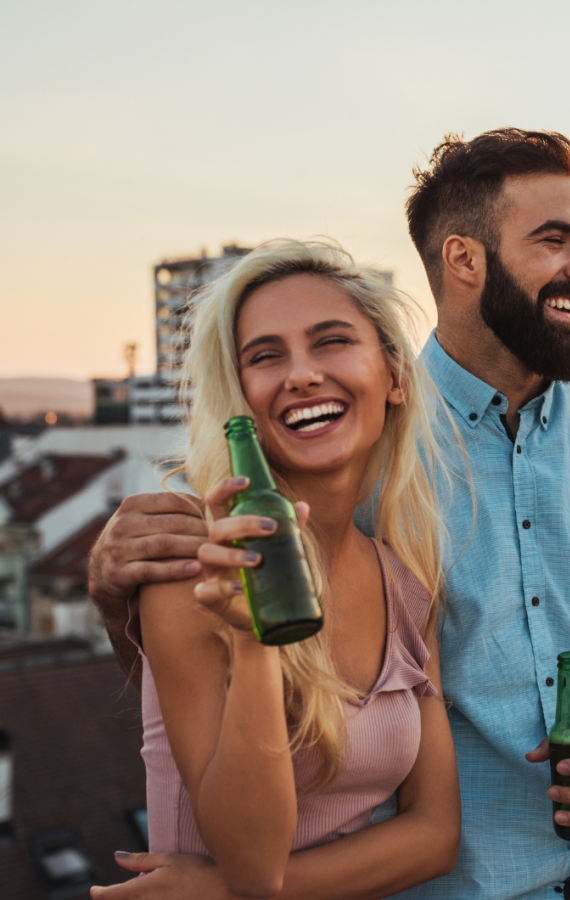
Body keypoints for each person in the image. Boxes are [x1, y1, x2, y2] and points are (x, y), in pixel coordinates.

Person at [87, 129, 570, 900]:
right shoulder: (346, 451)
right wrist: (115, 598)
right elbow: (196, 695)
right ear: (464, 260)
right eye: (554, 240)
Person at [91, 240, 461, 899]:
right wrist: (252, 639)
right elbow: (255, 866)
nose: (301, 374)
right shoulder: (195, 569)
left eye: (331, 342)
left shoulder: (406, 583)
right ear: (240, 402)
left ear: (395, 376)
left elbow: (435, 835)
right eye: (265, 357)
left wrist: (221, 892)